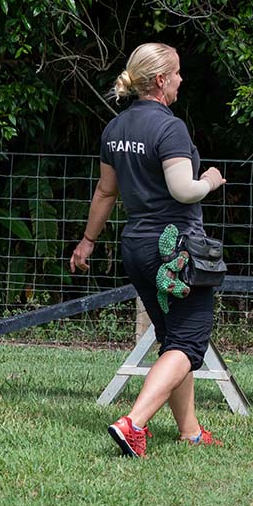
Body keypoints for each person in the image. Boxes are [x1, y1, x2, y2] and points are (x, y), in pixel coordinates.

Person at [69, 43, 226, 457]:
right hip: (174, 248)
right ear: (160, 81)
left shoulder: (115, 128)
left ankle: (190, 431)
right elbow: (183, 189)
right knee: (190, 341)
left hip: (136, 246)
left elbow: (105, 191)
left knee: (174, 338)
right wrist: (210, 179)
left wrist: (87, 241)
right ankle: (133, 424)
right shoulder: (170, 128)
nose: (180, 80)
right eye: (176, 73)